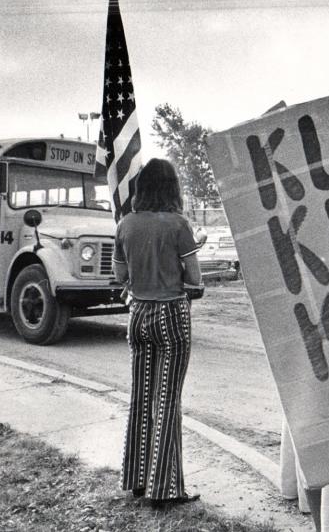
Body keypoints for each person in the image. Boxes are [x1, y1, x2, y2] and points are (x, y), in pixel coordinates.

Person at [113, 158, 202, 505]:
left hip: (139, 313)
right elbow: (194, 278)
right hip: (171, 314)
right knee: (167, 401)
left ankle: (137, 480)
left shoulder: (126, 224)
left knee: (141, 397)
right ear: (171, 187)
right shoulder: (179, 225)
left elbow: (122, 277)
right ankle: (164, 489)